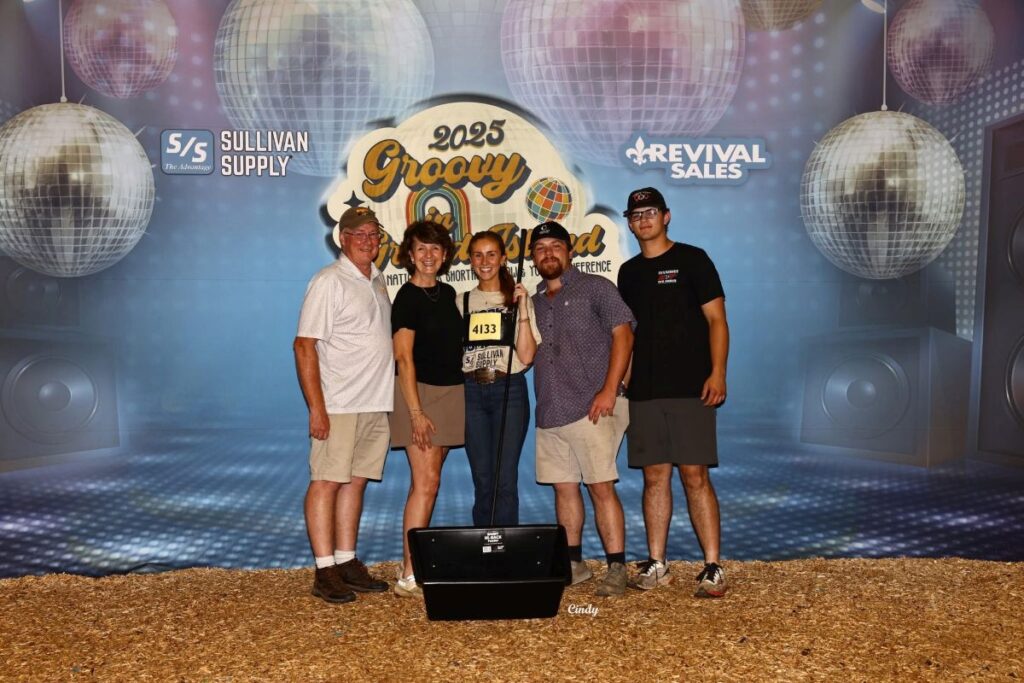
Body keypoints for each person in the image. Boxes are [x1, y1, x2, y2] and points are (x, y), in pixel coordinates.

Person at [616, 187, 730, 598]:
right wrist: (623, 382)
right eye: (636, 214)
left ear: (666, 216)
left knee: (695, 476)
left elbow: (717, 320)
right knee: (654, 478)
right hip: (644, 391)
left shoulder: (693, 259)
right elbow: (628, 335)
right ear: (630, 224)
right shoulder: (628, 273)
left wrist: (718, 373)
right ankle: (657, 562)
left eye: (651, 212)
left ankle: (713, 565)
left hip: (690, 388)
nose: (643, 219)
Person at [530, 221, 635, 597]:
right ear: (533, 257)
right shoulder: (533, 301)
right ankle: (574, 564)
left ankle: (617, 567)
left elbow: (624, 334)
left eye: (555, 246)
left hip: (593, 406)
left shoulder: (596, 287)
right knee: (564, 488)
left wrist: (611, 390)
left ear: (569, 251)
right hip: (550, 409)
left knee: (600, 487)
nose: (548, 253)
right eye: (540, 248)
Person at [293, 206, 392, 604]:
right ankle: (324, 569)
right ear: (343, 238)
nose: (368, 240)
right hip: (339, 402)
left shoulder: (378, 279)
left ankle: (346, 560)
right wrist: (317, 408)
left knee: (356, 480)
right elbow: (304, 345)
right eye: (359, 234)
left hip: (374, 400)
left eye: (373, 234)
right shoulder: (328, 281)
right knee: (327, 481)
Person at [390, 219, 465, 598]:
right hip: (418, 396)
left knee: (428, 481)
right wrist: (416, 412)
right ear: (410, 254)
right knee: (427, 483)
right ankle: (409, 574)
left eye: (435, 248)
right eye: (421, 248)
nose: (429, 255)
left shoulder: (448, 292)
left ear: (446, 253)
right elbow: (403, 358)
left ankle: (410, 563)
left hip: (451, 394)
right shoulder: (406, 298)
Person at [460, 231, 540, 526]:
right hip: (471, 391)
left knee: (505, 478)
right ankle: (484, 543)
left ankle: (504, 545)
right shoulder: (461, 301)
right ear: (470, 261)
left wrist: (522, 309)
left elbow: (527, 356)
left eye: (491, 254)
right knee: (482, 478)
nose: (485, 261)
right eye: (478, 255)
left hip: (509, 389)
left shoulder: (518, 299)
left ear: (503, 259)